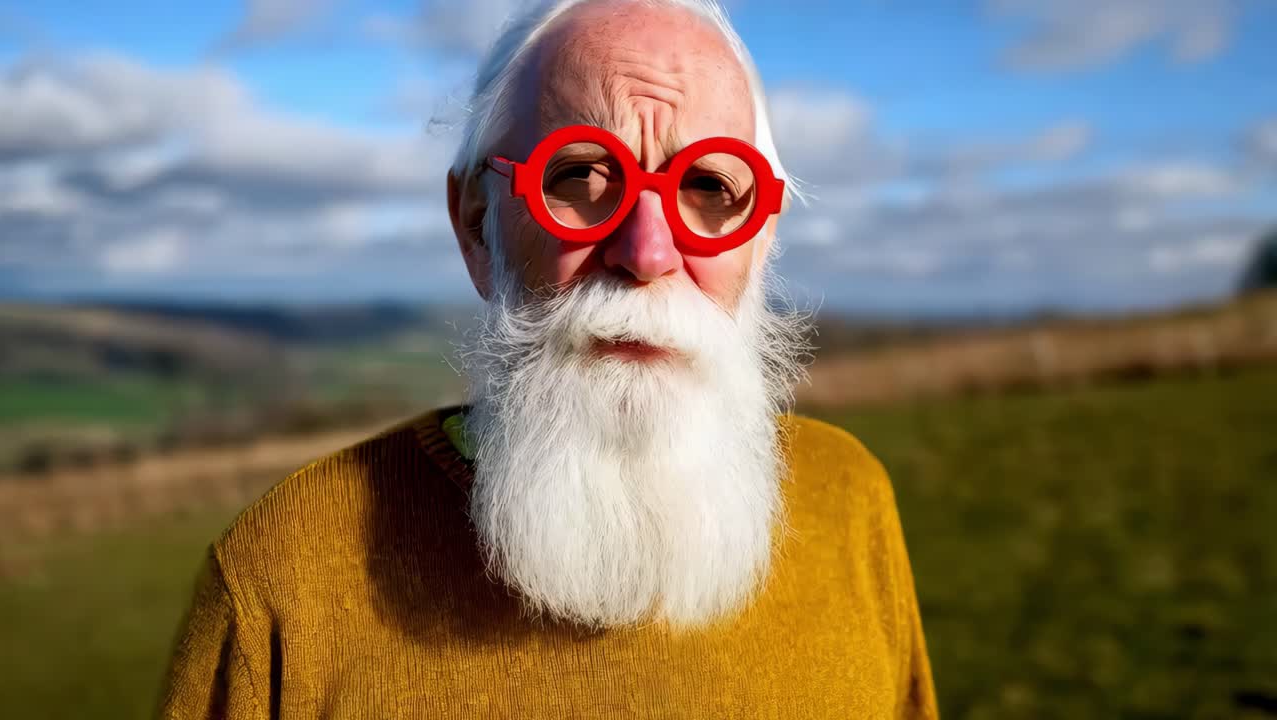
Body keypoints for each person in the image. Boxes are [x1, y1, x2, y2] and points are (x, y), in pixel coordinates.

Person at [156, 0, 939, 717]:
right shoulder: (285, 576)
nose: (647, 252)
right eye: (581, 177)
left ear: (762, 238)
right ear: (476, 225)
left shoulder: (851, 503)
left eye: (708, 186)